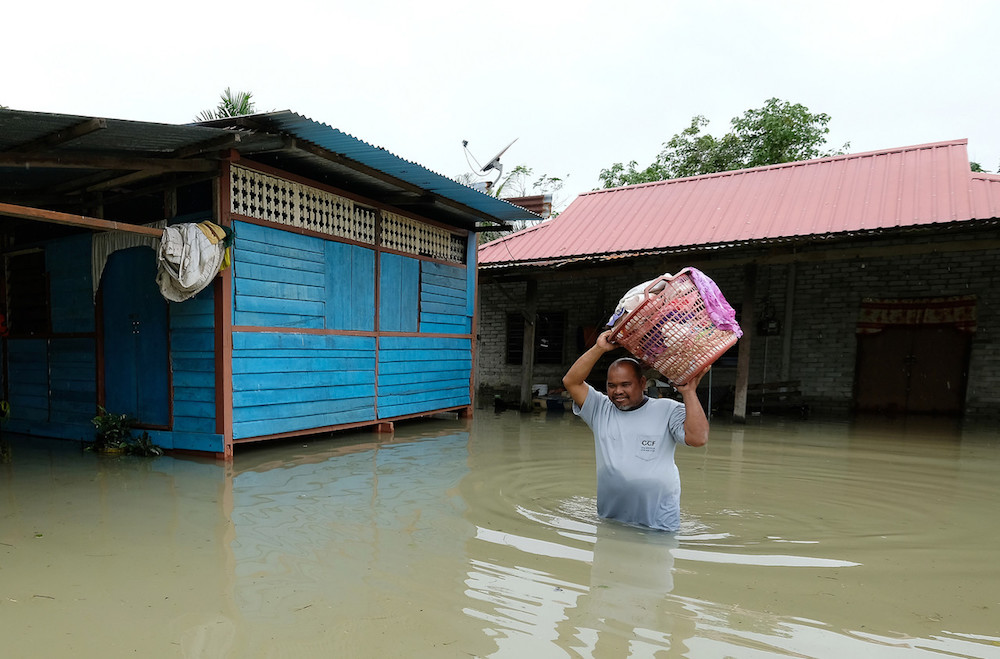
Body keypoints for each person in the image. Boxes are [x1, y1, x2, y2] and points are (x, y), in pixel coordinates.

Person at [562, 329, 709, 532]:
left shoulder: (667, 409)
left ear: (642, 383)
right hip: (610, 522)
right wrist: (599, 348)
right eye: (611, 385)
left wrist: (689, 392)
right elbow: (571, 382)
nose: (618, 391)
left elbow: (698, 438)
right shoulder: (600, 409)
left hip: (658, 525)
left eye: (625, 384)